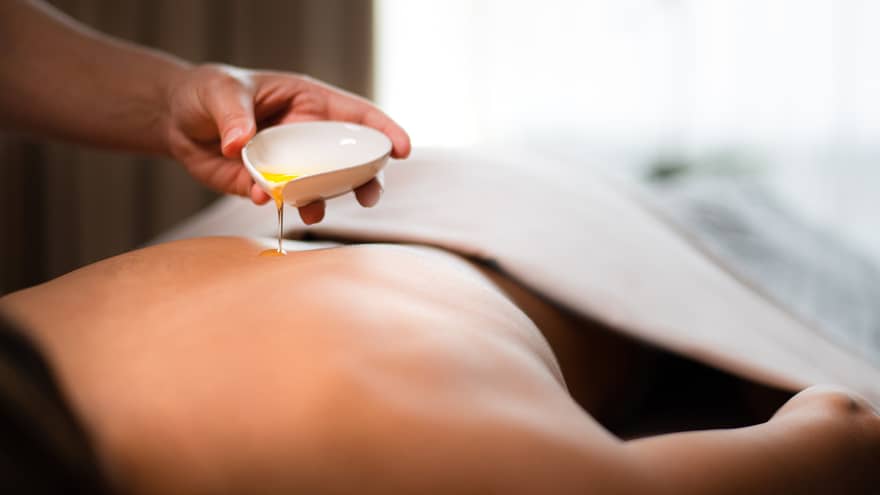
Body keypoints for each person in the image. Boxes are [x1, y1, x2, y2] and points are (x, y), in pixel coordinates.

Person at [1, 1, 879, 494]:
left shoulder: (409, 454)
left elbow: (842, 430)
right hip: (365, 223)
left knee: (725, 203)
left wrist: (171, 98)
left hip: (555, 231)